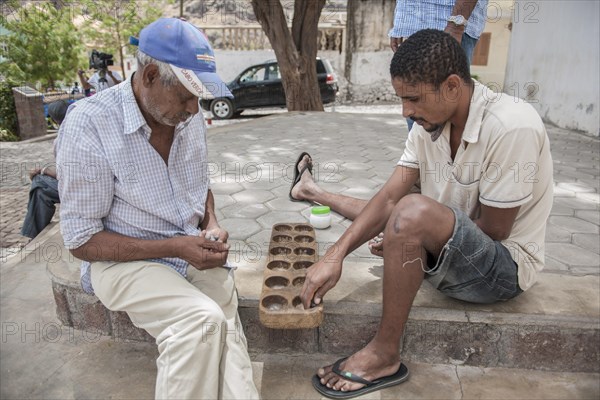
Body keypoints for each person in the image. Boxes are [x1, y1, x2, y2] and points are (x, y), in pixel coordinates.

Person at [295, 29, 553, 399]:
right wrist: (334, 256)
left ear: (451, 86)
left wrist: (421, 246)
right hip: (453, 245)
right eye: (402, 99)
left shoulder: (511, 126)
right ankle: (312, 191)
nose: (406, 112)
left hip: (501, 270)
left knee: (410, 214)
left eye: (412, 99)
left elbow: (494, 231)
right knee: (400, 212)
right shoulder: (428, 123)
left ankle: (385, 353)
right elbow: (387, 199)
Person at [55, 18, 259, 400]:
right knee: (199, 322)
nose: (194, 108)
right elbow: (82, 242)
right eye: (186, 96)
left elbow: (199, 188)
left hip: (187, 251)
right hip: (123, 263)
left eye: (199, 97)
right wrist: (176, 247)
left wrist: (210, 223)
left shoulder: (186, 117)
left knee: (225, 330)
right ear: (149, 75)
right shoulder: (90, 125)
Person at [389, 0, 488, 131]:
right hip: (412, 23)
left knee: (442, 120)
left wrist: (456, 24)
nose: (404, 112)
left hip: (448, 23)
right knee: (418, 120)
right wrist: (400, 22)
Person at [20, 100, 68, 239]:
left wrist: (43, 170)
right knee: (40, 187)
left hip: (84, 188)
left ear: (53, 119)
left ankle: (31, 234)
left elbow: (67, 175)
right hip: (88, 182)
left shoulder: (64, 137)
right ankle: (31, 231)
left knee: (39, 182)